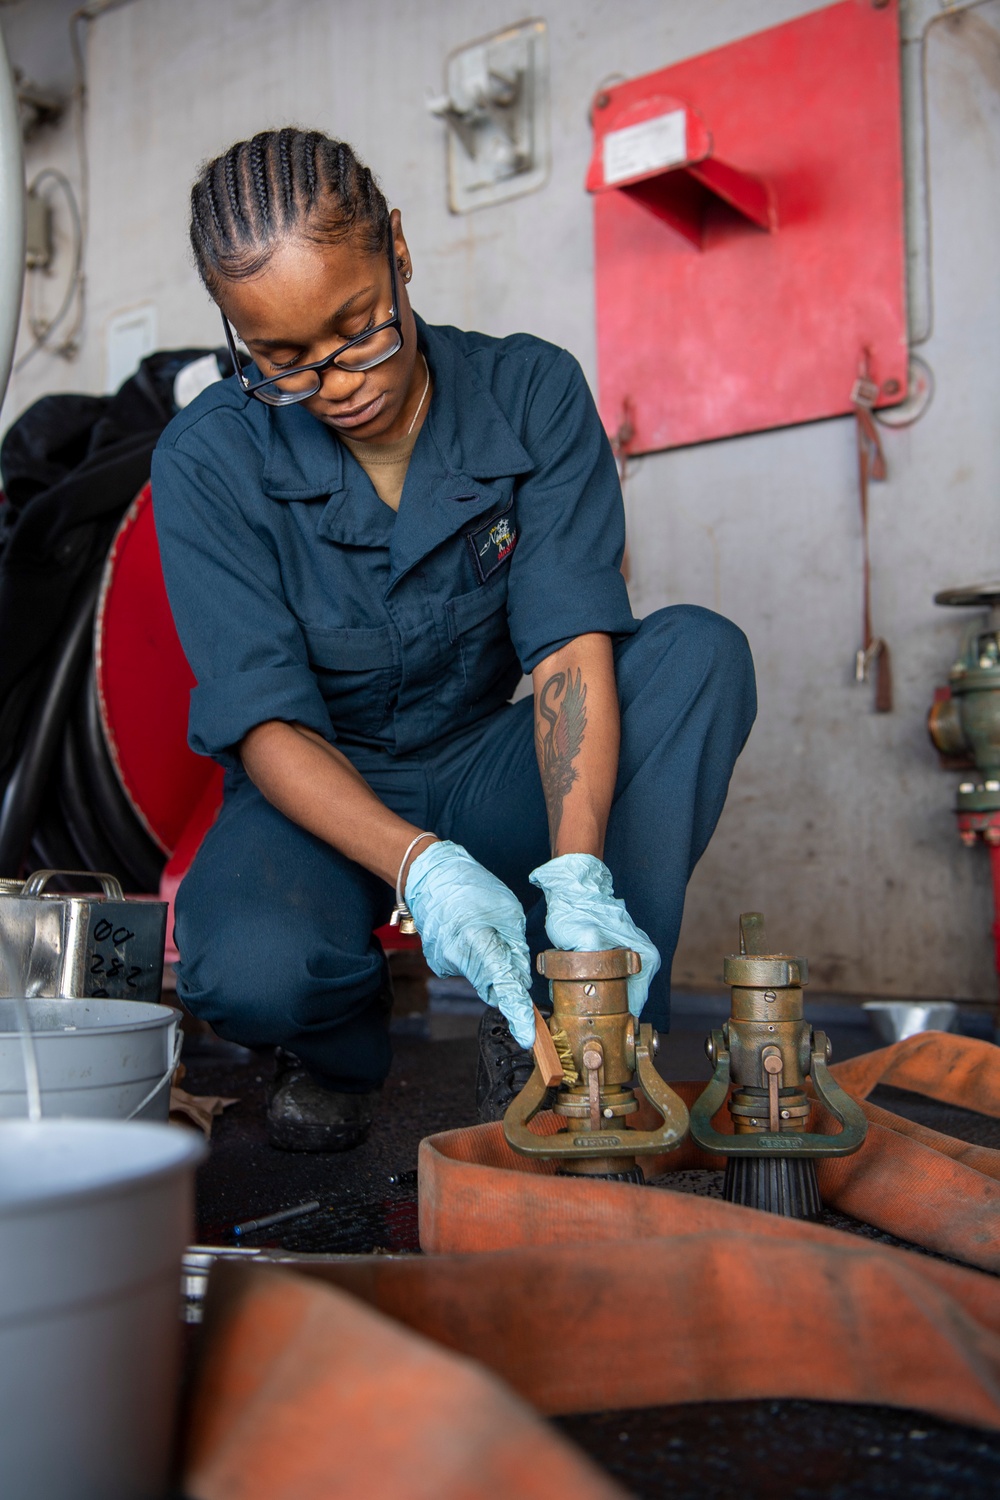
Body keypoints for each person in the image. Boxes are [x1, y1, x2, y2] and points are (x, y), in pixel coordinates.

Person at [151, 128, 756, 1152]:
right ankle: (340, 1052)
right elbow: (262, 722)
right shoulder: (204, 461)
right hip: (318, 784)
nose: (336, 383)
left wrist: (573, 876)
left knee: (696, 653)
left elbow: (570, 651)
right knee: (247, 968)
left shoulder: (530, 393)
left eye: (358, 329)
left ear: (397, 247)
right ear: (235, 334)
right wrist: (420, 866)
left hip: (484, 765)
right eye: (283, 362)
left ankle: (588, 1028)